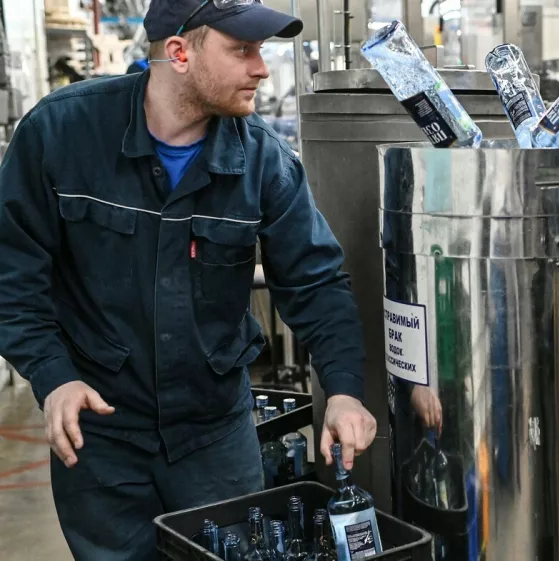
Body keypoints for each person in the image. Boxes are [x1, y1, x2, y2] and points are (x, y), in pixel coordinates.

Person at [0, 0, 376, 559]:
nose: (262, 68)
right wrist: (53, 377)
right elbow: (12, 275)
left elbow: (315, 283)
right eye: (242, 50)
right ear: (179, 53)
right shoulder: (61, 135)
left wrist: (344, 390)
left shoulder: (264, 163)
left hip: (215, 435)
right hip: (100, 433)